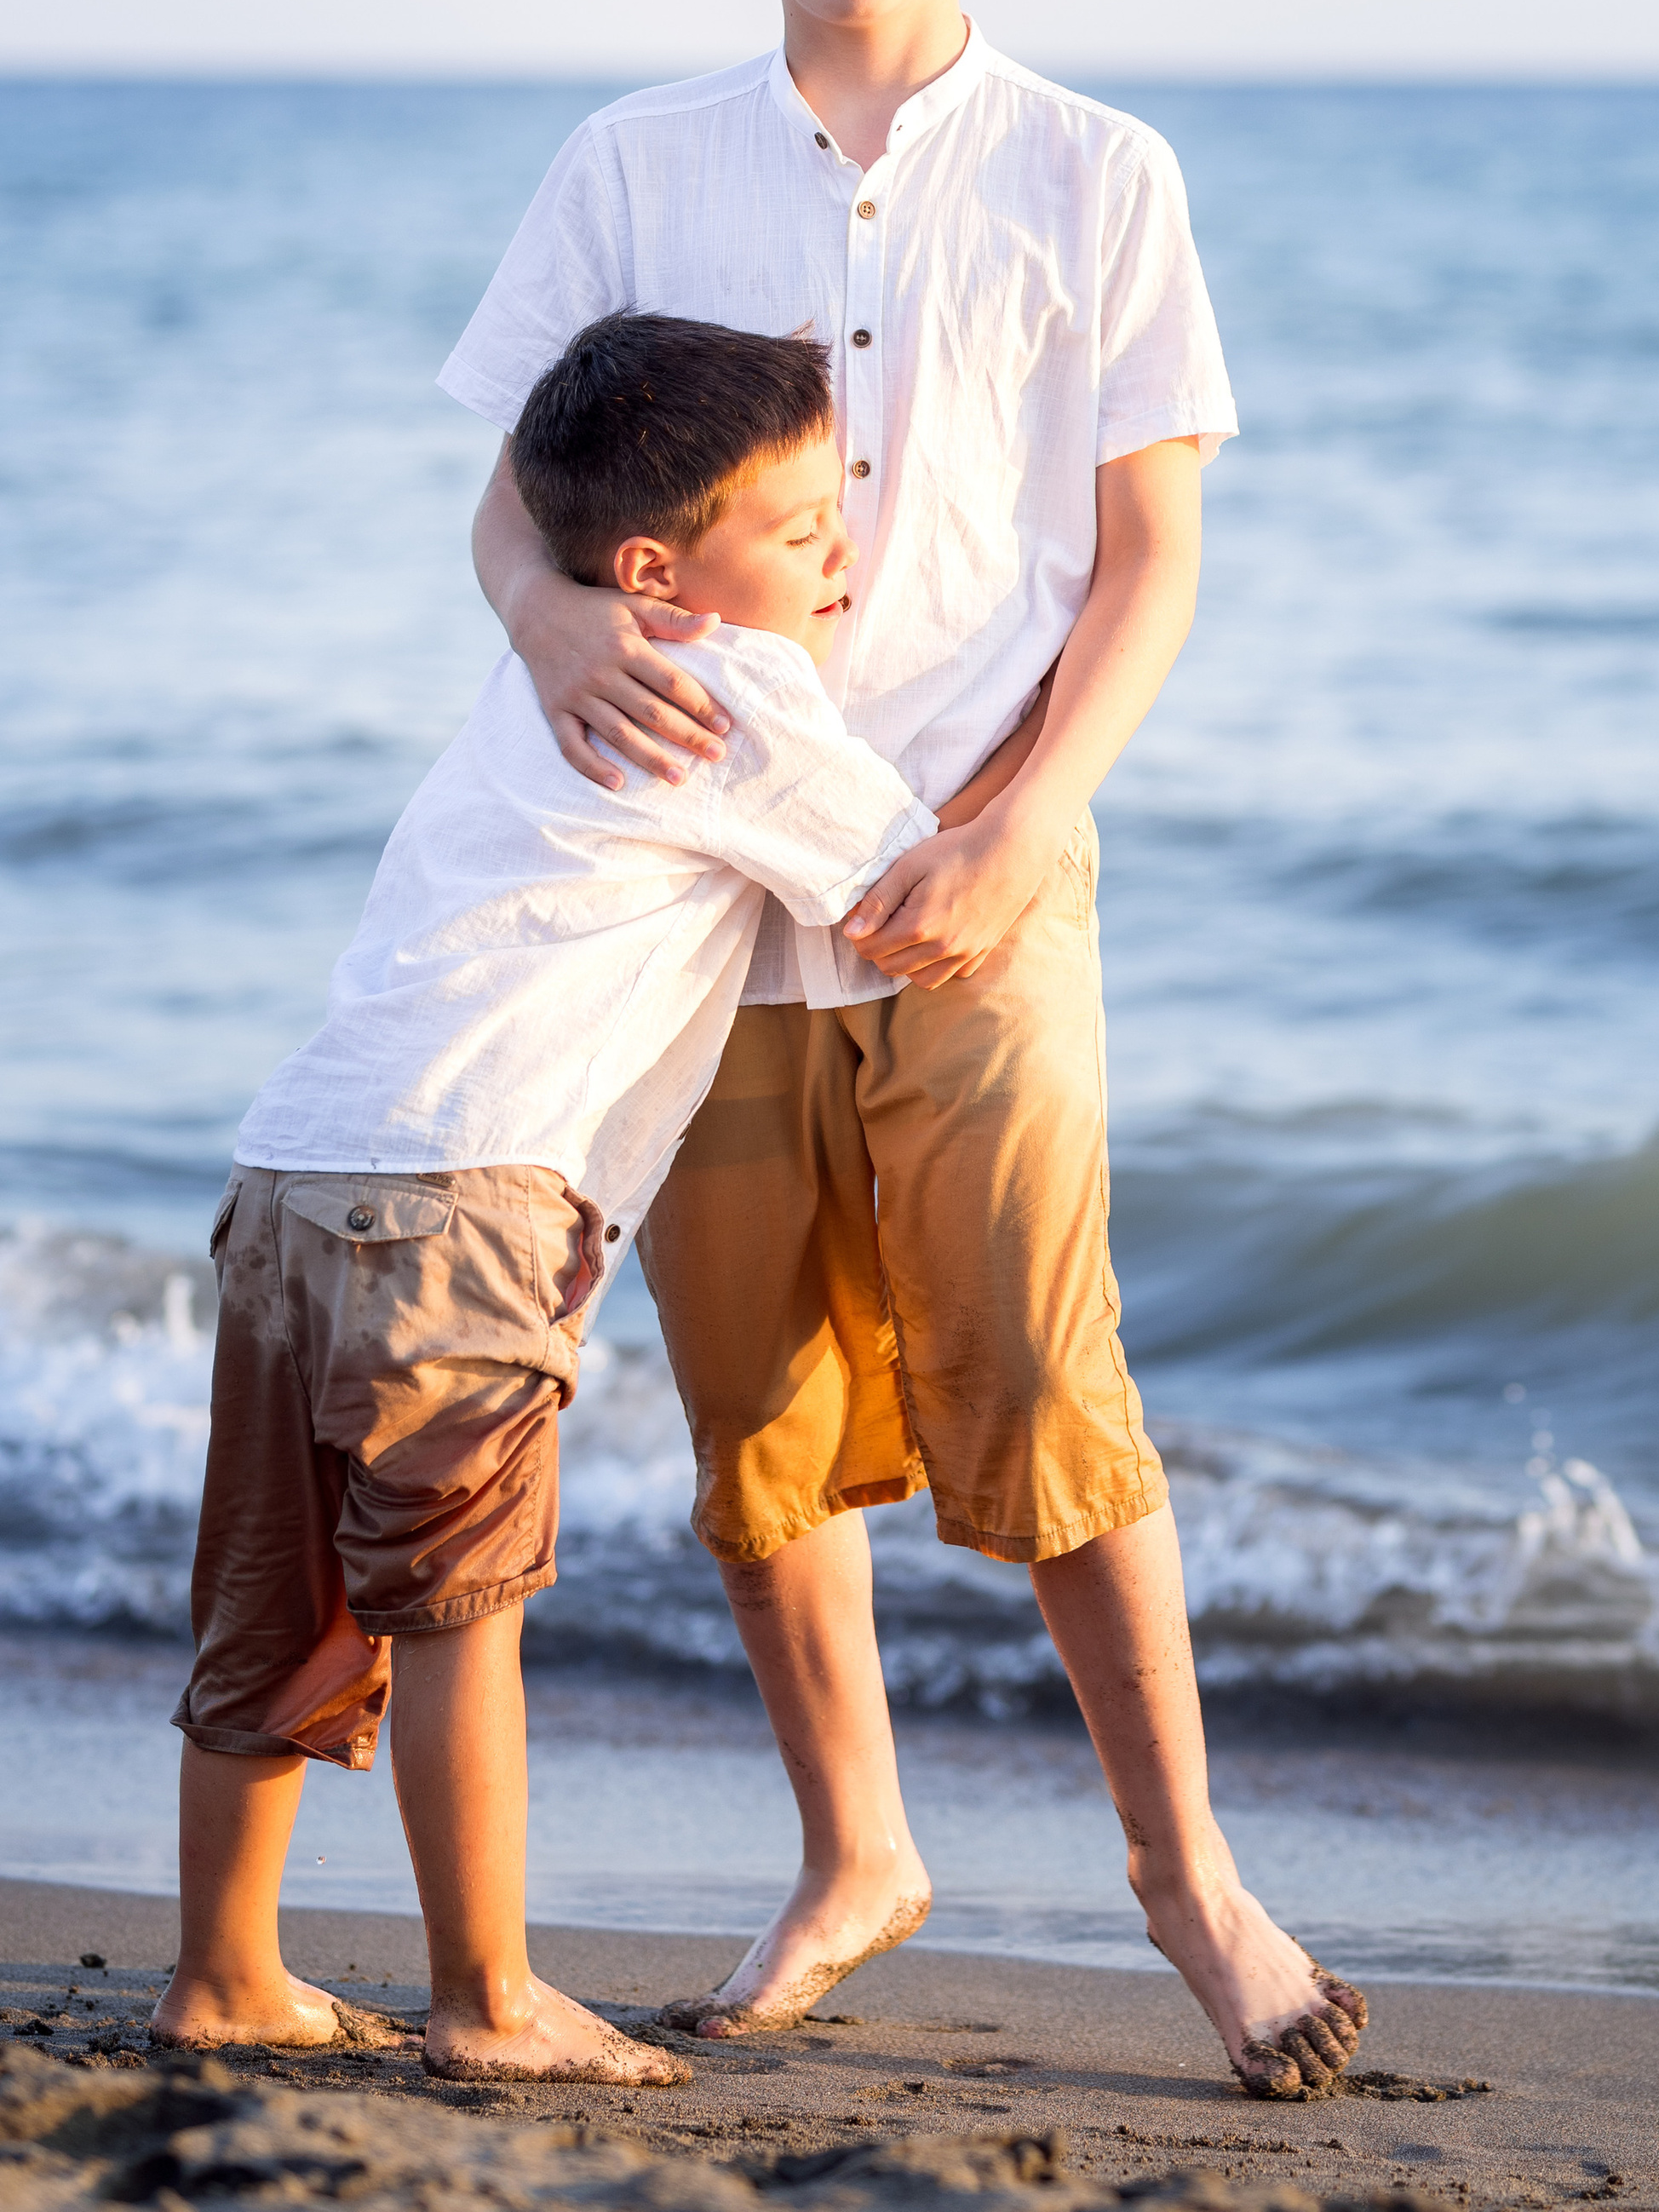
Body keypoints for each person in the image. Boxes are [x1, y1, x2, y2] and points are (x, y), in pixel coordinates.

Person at [439, 0, 1366, 2100]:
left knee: (1047, 1375)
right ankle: (856, 1848)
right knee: (755, 1402)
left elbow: (1151, 557)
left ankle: (1190, 1880)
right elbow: (516, 511)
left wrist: (1026, 820)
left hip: (980, 856)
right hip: (687, 897)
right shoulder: (636, 167)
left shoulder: (1097, 171)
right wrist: (546, 620)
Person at [152, 314, 1040, 2083]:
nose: (840, 558)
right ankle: (488, 2002)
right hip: (465, 1198)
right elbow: (910, 899)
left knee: (277, 1598)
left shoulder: (548, 668)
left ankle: (226, 1974)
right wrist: (1044, 776)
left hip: (292, 1171)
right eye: (802, 535)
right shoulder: (736, 690)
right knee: (457, 1604)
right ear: (663, 573)